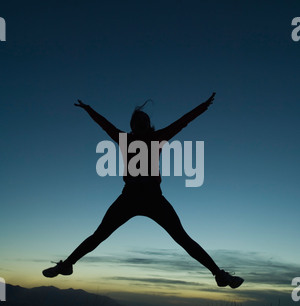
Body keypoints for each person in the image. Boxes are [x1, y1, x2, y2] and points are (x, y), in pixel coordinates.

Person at [43, 93, 244, 289]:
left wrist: (202, 107)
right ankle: (67, 265)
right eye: (139, 120)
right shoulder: (125, 140)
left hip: (153, 199)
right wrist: (89, 110)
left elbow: (182, 122)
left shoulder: (158, 137)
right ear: (133, 126)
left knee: (183, 238)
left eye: (145, 120)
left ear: (149, 124)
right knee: (99, 235)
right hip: (129, 197)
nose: (142, 123)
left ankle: (219, 274)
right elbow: (105, 125)